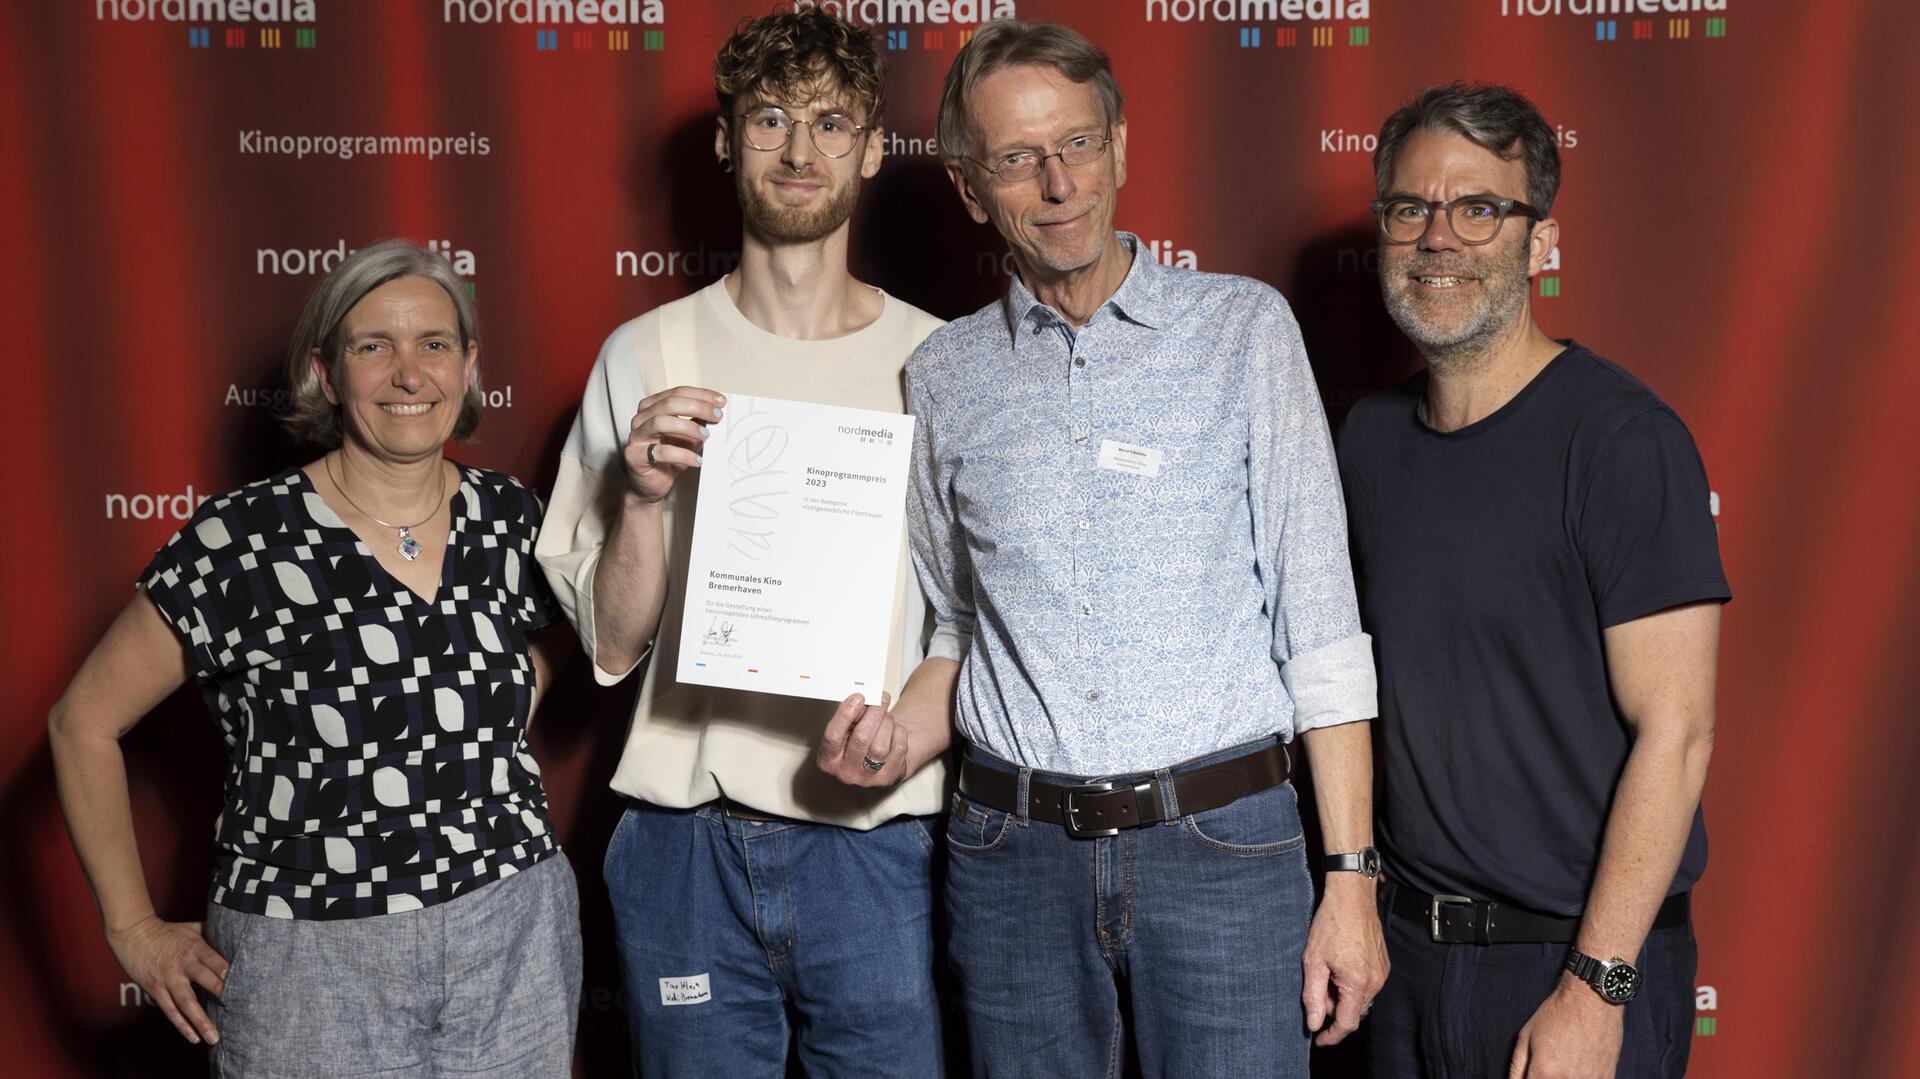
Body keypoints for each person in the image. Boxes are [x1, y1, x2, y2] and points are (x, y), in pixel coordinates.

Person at [907, 20, 1388, 1077]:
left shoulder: (1245, 331)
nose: (1058, 180)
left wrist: (1351, 873)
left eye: (1077, 143)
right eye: (1017, 158)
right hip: (1011, 856)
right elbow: (953, 615)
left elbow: (1319, 621)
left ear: (1121, 146)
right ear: (968, 186)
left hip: (1223, 842)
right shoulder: (940, 375)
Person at [533, 9, 956, 1077]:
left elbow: (977, 620)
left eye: (830, 122)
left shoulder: (942, 361)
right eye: (770, 118)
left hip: (877, 839)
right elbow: (611, 648)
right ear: (726, 140)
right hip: (686, 838)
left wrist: (905, 734)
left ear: (871, 148)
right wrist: (638, 498)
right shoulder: (646, 353)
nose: (800, 151)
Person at [47, 239, 582, 1076]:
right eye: (375, 347)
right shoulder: (242, 541)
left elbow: (544, 657)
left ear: (469, 366)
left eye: (435, 344)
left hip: (511, 933)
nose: (410, 374)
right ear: (328, 373)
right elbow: (81, 722)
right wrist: (134, 929)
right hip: (308, 954)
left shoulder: (510, 517)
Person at [1340, 82, 1730, 1079]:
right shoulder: (1366, 439)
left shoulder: (1621, 441)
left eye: (1479, 209)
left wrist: (1594, 986)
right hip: (1407, 962)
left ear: (1540, 243)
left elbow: (1675, 733)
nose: (1439, 239)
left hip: (1569, 962)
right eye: (1410, 209)